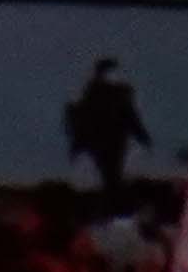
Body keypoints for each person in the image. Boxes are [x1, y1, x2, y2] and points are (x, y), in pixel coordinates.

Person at [62, 60, 146, 193]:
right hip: (107, 139)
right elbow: (130, 116)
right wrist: (141, 136)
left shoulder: (97, 92)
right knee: (111, 171)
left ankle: (112, 192)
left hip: (106, 139)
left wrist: (78, 143)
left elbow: (129, 116)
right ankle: (113, 193)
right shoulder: (110, 93)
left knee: (110, 172)